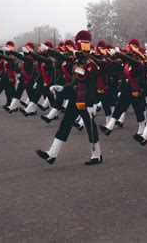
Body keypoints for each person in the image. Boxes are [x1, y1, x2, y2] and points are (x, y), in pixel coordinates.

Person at [35, 30, 102, 165]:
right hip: (75, 98)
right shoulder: (78, 62)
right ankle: (52, 154)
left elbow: (92, 86)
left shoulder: (90, 64)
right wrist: (63, 89)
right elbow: (75, 82)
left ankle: (97, 155)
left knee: (90, 128)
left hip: (85, 101)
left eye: (79, 47)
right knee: (64, 125)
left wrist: (92, 104)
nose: (77, 50)